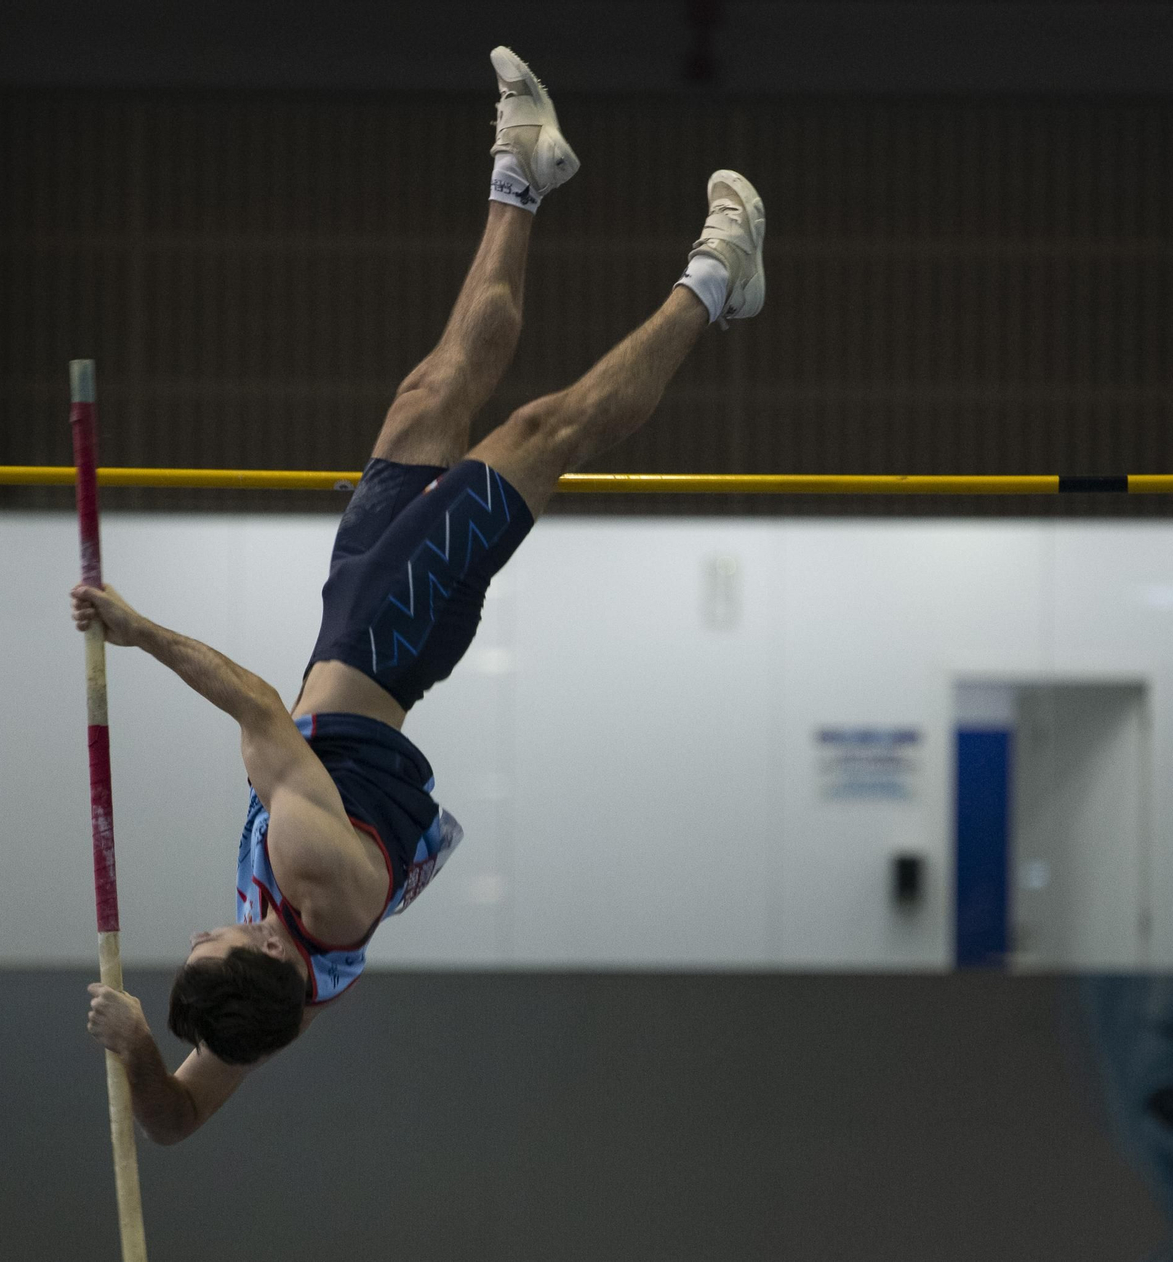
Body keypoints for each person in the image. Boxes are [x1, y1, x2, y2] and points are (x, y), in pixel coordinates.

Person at [73, 45, 766, 1144]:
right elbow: (257, 707)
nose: (210, 924)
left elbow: (173, 1121)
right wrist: (132, 623)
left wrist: (141, 1051)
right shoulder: (311, 880)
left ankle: (521, 171)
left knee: (434, 385)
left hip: (348, 626)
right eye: (211, 937)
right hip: (388, 640)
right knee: (545, 430)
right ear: (259, 950)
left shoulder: (272, 996)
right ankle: (718, 282)